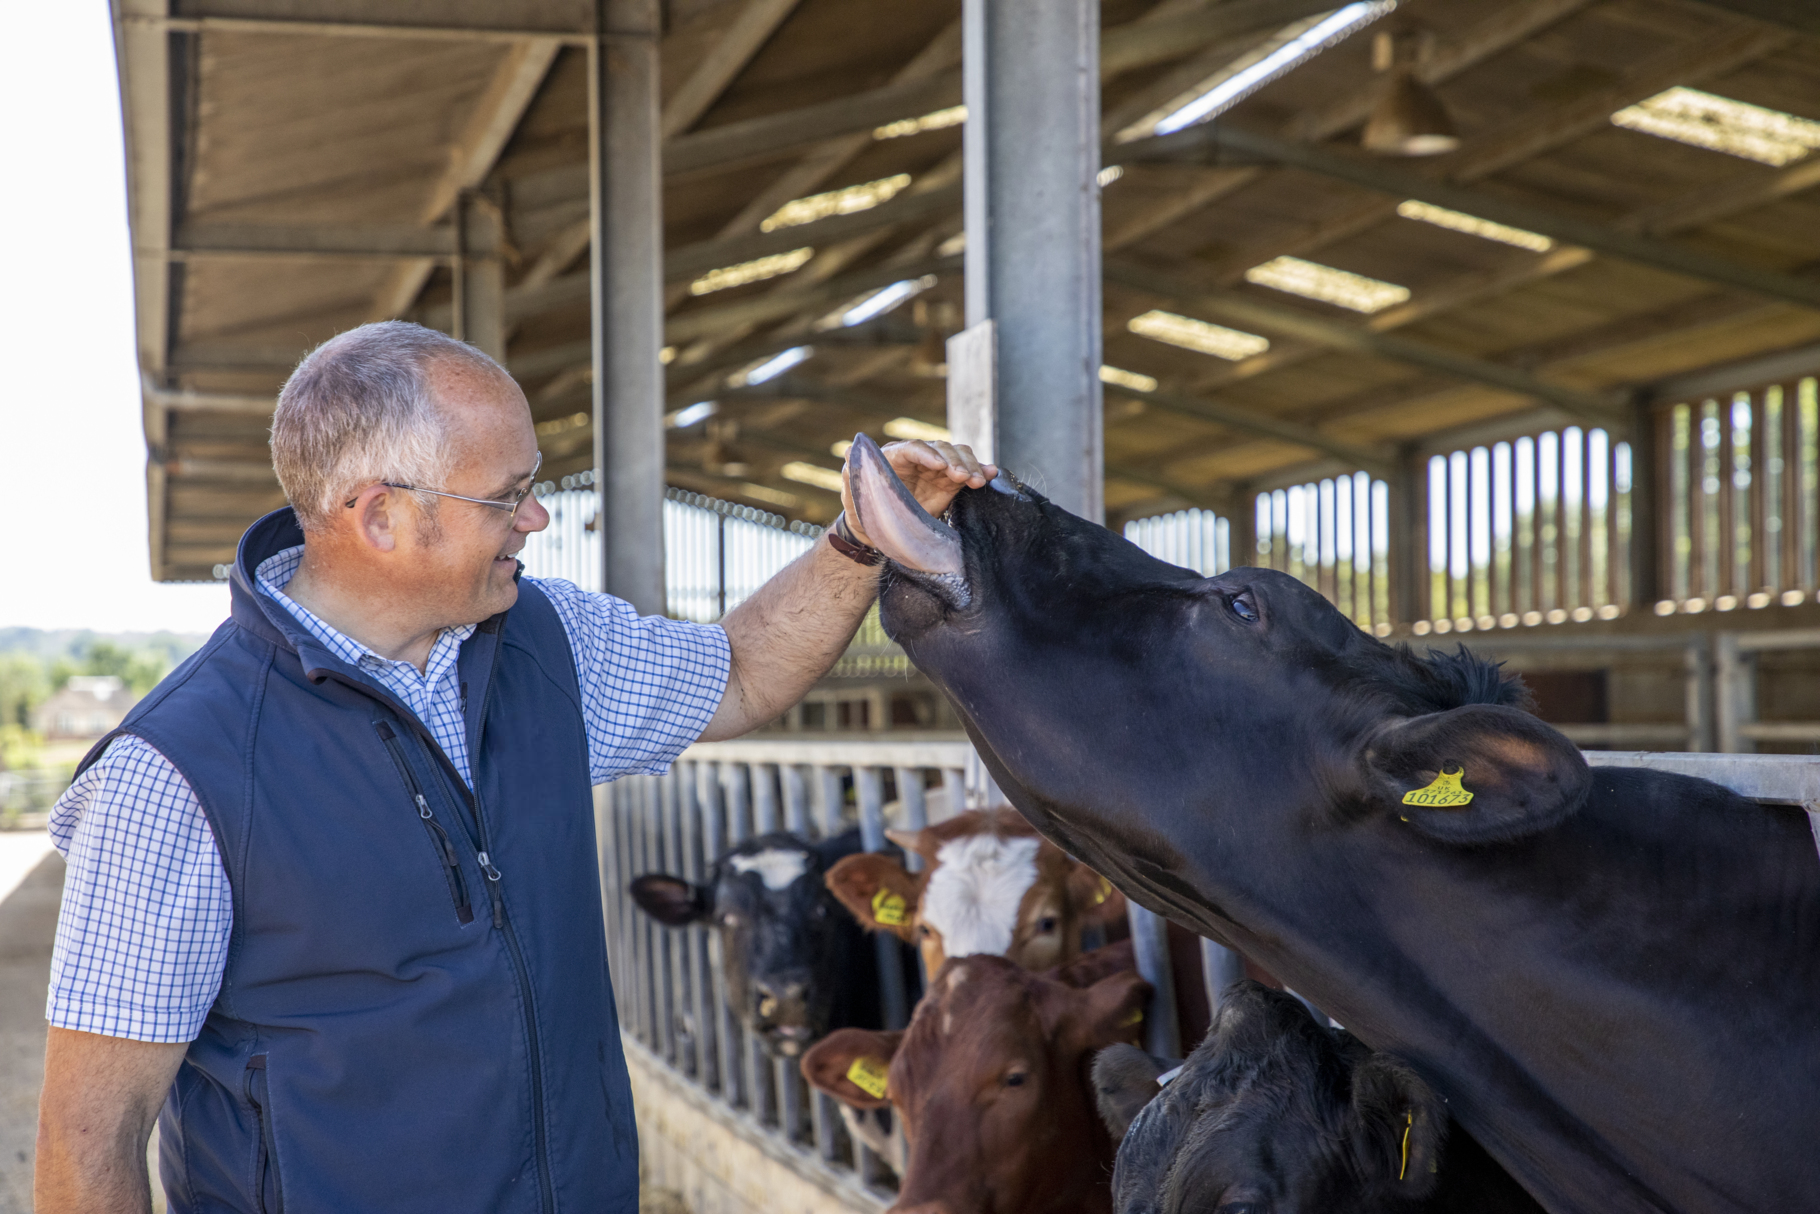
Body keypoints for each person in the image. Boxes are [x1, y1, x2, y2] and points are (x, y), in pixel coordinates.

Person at [33, 321, 993, 1214]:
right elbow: (89, 1138)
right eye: (505, 494)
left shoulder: (546, 640)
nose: (536, 517)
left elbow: (739, 672)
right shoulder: (177, 773)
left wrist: (861, 540)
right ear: (379, 517)